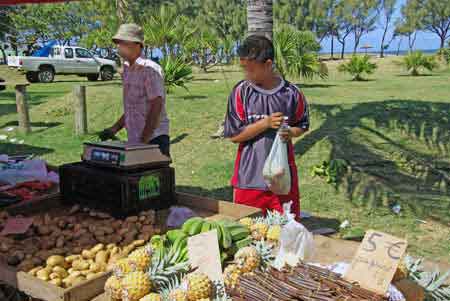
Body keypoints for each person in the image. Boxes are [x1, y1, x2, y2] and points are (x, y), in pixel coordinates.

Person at [223, 35, 310, 218]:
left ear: (268, 64)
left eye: (251, 70)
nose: (247, 75)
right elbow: (234, 135)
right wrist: (265, 123)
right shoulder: (241, 92)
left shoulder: (292, 93)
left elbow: (302, 125)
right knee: (246, 231)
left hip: (282, 179)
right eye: (244, 69)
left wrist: (290, 132)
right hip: (249, 180)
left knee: (287, 231)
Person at [101, 24, 170, 157]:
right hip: (136, 140)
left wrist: (143, 143)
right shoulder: (127, 70)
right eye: (117, 43)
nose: (118, 46)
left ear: (136, 44)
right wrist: (114, 129)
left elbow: (156, 108)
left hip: (154, 139)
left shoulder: (150, 70)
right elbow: (132, 108)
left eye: (122, 42)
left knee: (154, 178)